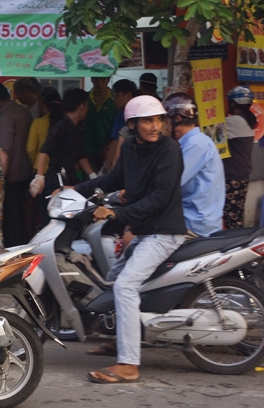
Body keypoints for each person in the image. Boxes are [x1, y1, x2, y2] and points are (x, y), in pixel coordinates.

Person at [73, 95, 186, 384]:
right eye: (148, 120)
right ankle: (119, 339)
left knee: (124, 286)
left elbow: (159, 198)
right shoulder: (133, 151)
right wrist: (75, 190)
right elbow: (112, 180)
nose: (155, 126)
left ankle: (128, 364)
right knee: (112, 278)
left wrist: (114, 215)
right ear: (133, 125)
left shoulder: (169, 150)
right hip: (145, 231)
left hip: (163, 232)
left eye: (158, 119)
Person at [164, 93, 224, 237]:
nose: (162, 126)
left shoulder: (196, 144)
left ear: (177, 119)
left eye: (164, 121)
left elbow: (170, 183)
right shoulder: (191, 143)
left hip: (194, 225)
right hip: (189, 219)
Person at [0, 82, 33, 247]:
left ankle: (14, 252)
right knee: (20, 217)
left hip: (11, 175)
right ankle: (22, 247)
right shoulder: (23, 111)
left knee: (11, 219)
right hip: (25, 171)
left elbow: (4, 150)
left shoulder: (6, 117)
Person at [30, 88, 95, 206]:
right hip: (55, 180)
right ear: (82, 106)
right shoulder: (60, 127)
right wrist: (39, 176)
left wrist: (92, 175)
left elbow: (80, 155)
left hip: (70, 179)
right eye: (87, 105)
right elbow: (44, 150)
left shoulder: (77, 128)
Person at [223, 86, 257, 229]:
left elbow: (211, 129)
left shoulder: (235, 121)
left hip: (232, 176)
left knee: (231, 217)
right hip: (241, 174)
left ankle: (234, 245)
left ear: (234, 103)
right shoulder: (248, 120)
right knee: (236, 214)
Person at [83, 76, 118, 173]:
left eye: (103, 80)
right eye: (96, 80)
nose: (99, 84)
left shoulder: (114, 100)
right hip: (87, 149)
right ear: (91, 80)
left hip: (108, 150)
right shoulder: (85, 99)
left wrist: (110, 145)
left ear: (108, 80)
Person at [26, 87, 63, 175]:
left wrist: (36, 162)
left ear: (44, 106)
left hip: (41, 170)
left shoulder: (38, 123)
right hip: (61, 170)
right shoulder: (65, 123)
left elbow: (30, 149)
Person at [104, 79, 138, 172]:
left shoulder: (123, 116)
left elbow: (116, 142)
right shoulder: (140, 113)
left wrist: (108, 165)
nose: (114, 100)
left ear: (128, 95)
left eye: (117, 96)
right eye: (113, 96)